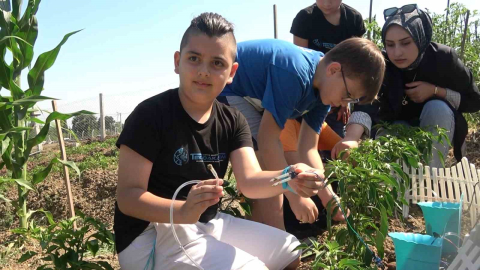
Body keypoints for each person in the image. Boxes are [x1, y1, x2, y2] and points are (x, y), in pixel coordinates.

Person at [114, 12, 328, 270]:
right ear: (177, 61)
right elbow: (128, 197)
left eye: (217, 63)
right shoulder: (150, 115)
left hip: (204, 223)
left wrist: (289, 177)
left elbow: (249, 182)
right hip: (151, 234)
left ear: (232, 72)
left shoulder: (233, 120)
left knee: (290, 250)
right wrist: (182, 211)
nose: (204, 71)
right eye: (194, 59)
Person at [218, 37, 385, 231]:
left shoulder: (322, 88)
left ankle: (265, 238)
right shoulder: (296, 75)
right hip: (228, 85)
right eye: (347, 95)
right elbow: (268, 140)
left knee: (273, 178)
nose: (343, 103)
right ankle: (276, 244)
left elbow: (308, 148)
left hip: (251, 95)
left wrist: (329, 197)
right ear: (334, 70)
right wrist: (295, 196)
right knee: (268, 175)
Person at [332, 5, 480, 168]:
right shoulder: (383, 64)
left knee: (437, 107)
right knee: (395, 129)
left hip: (436, 122)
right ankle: (398, 183)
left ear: (420, 38)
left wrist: (435, 91)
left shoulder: (443, 59)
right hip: (395, 125)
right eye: (390, 44)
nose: (397, 53)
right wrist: (351, 138)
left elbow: (473, 100)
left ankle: (431, 175)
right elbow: (367, 104)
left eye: (405, 43)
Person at [290, 0, 366, 138]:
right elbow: (302, 63)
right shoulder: (305, 18)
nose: (326, 3)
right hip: (310, 93)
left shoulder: (353, 19)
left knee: (334, 147)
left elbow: (355, 66)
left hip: (339, 95)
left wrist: (345, 101)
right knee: (302, 139)